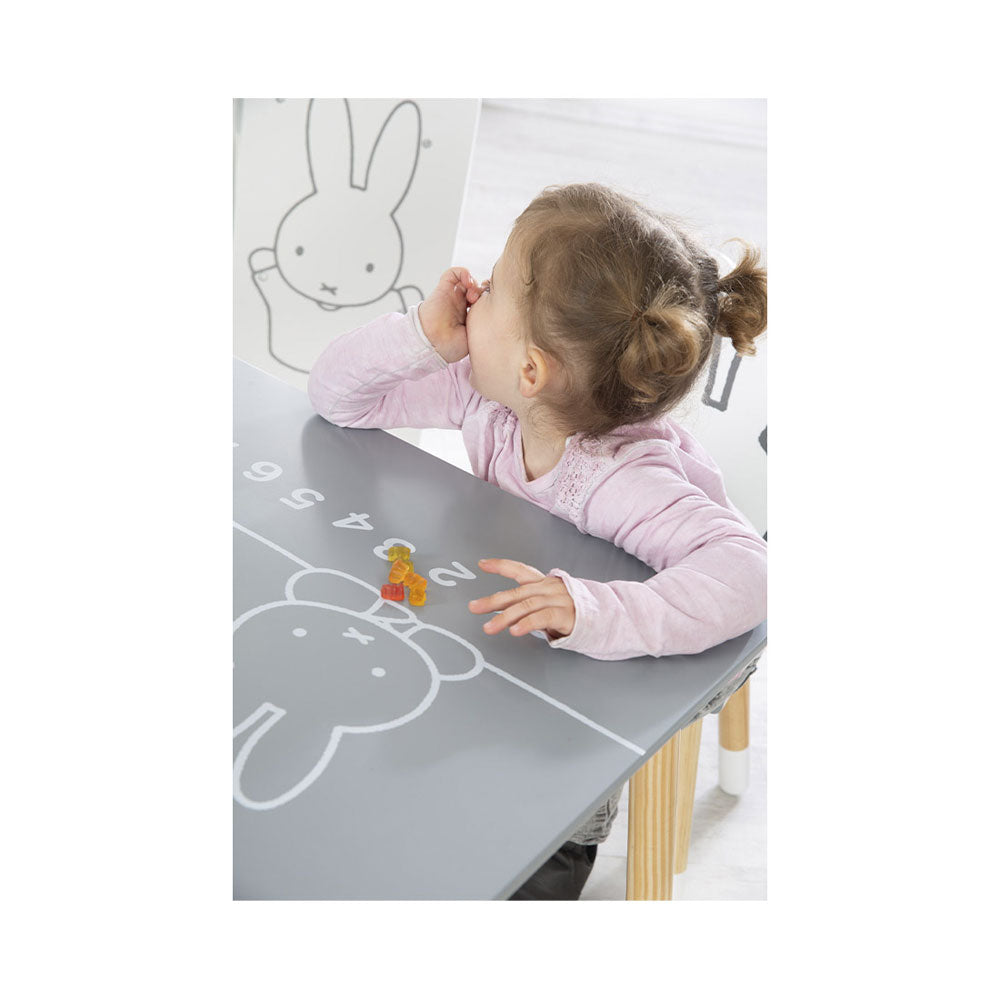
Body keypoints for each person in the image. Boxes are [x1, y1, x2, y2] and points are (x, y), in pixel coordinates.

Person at [307, 182, 767, 900]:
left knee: (535, 852)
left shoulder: (623, 478)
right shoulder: (485, 394)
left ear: (531, 369)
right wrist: (420, 337)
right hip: (516, 648)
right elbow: (338, 397)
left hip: (619, 671)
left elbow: (748, 574)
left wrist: (593, 611)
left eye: (491, 289)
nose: (473, 292)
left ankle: (567, 845)